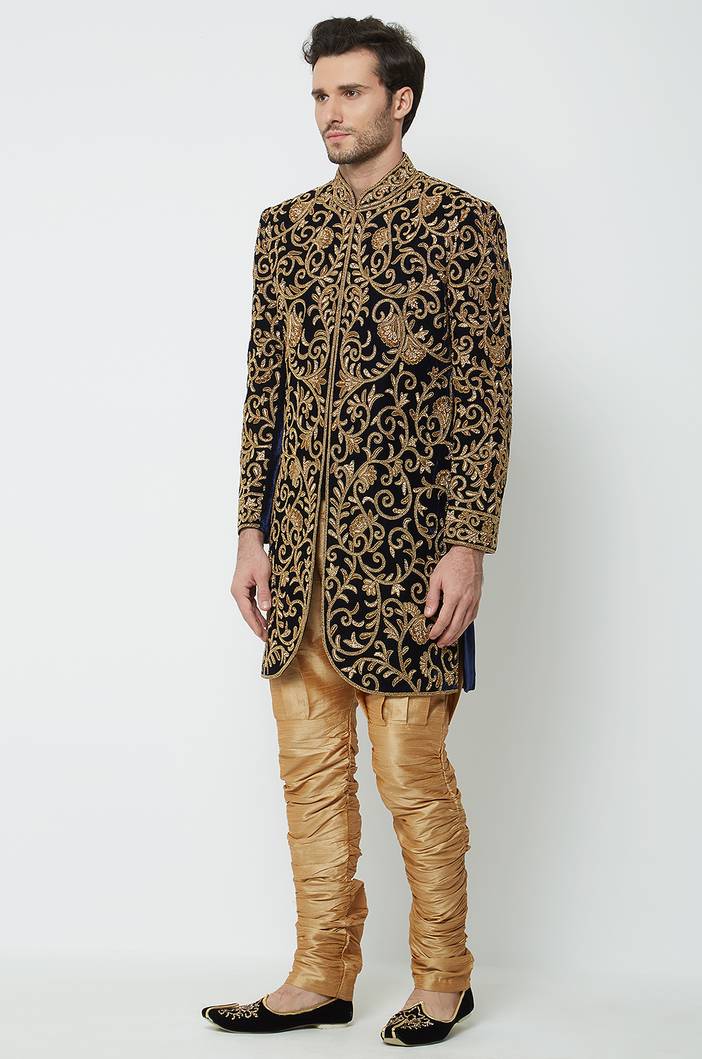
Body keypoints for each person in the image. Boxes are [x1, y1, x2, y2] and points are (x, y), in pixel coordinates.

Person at [202, 15, 512, 1047]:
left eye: (348, 93)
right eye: (318, 96)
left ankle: (444, 979)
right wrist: (249, 534)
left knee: (412, 781)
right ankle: (319, 975)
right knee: (310, 782)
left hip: (409, 564)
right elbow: (265, 396)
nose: (328, 113)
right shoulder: (284, 229)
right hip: (296, 566)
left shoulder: (462, 224)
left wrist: (467, 541)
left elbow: (484, 397)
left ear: (399, 100)